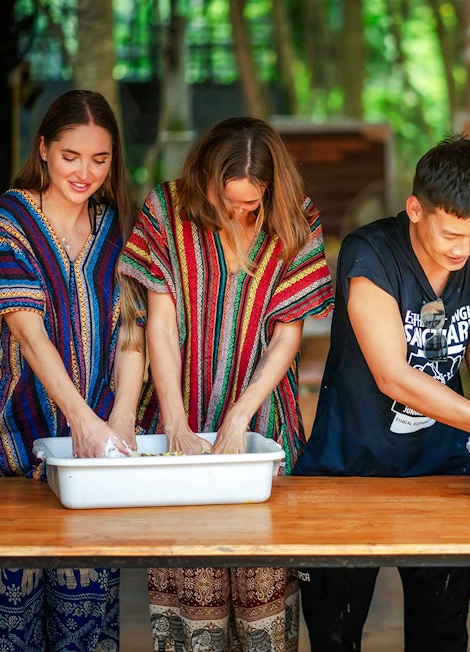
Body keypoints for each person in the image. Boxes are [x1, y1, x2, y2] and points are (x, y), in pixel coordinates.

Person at [294, 135, 470, 651]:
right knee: (335, 634)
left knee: (442, 634)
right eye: (451, 233)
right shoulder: (370, 252)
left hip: (439, 471)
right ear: (415, 210)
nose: (463, 248)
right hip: (349, 472)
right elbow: (393, 375)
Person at [120, 116, 334, 652]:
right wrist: (175, 422)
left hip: (264, 419)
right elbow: (159, 326)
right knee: (192, 591)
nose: (238, 213)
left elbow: (288, 338)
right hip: (179, 410)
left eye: (249, 204)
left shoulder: (295, 218)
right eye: (226, 201)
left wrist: (239, 418)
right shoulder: (167, 209)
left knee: (264, 588)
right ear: (204, 181)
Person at [0, 89, 144, 651]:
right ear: (43, 149)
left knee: (87, 628)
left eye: (99, 159)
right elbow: (28, 335)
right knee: (16, 631)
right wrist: (83, 420)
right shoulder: (5, 223)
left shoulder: (120, 227)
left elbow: (131, 330)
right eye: (70, 156)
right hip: (8, 450)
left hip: (92, 462)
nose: (84, 172)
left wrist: (124, 417)